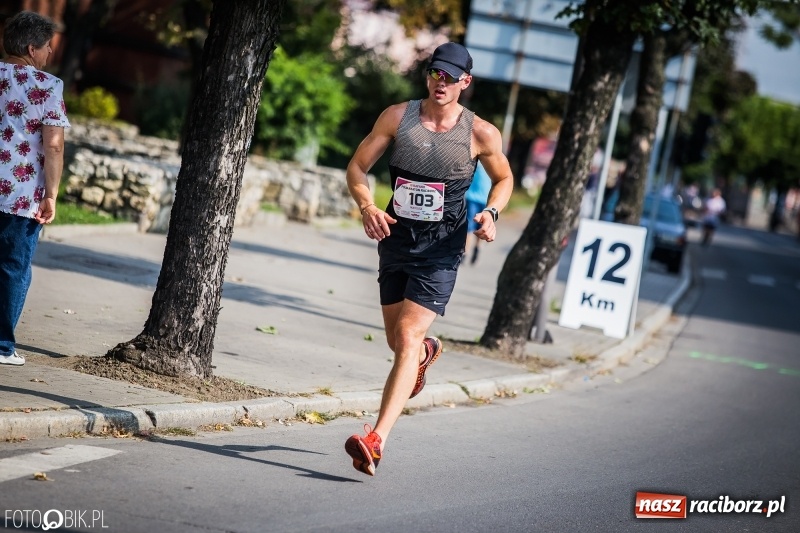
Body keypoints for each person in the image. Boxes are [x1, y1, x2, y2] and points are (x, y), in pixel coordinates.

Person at [343, 42, 514, 476]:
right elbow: (357, 167)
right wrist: (368, 207)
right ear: (428, 75)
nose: (442, 82)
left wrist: (491, 213)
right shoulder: (397, 117)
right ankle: (421, 356)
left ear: (465, 82)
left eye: (451, 77)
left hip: (441, 249)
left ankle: (376, 439)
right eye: (436, 73)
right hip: (396, 240)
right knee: (399, 343)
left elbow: (505, 178)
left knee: (407, 333)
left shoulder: (481, 133)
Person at [0, 11, 70, 366]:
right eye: (47, 47)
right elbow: (53, 144)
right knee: (13, 266)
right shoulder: (46, 85)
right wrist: (52, 194)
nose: (49, 54)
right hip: (20, 194)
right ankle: (1, 347)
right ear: (31, 47)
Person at [465, 160, 492, 264]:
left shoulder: (493, 161)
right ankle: (465, 253)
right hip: (472, 198)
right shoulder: (474, 161)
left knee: (482, 227)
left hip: (487, 201)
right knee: (469, 227)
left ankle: (477, 249)